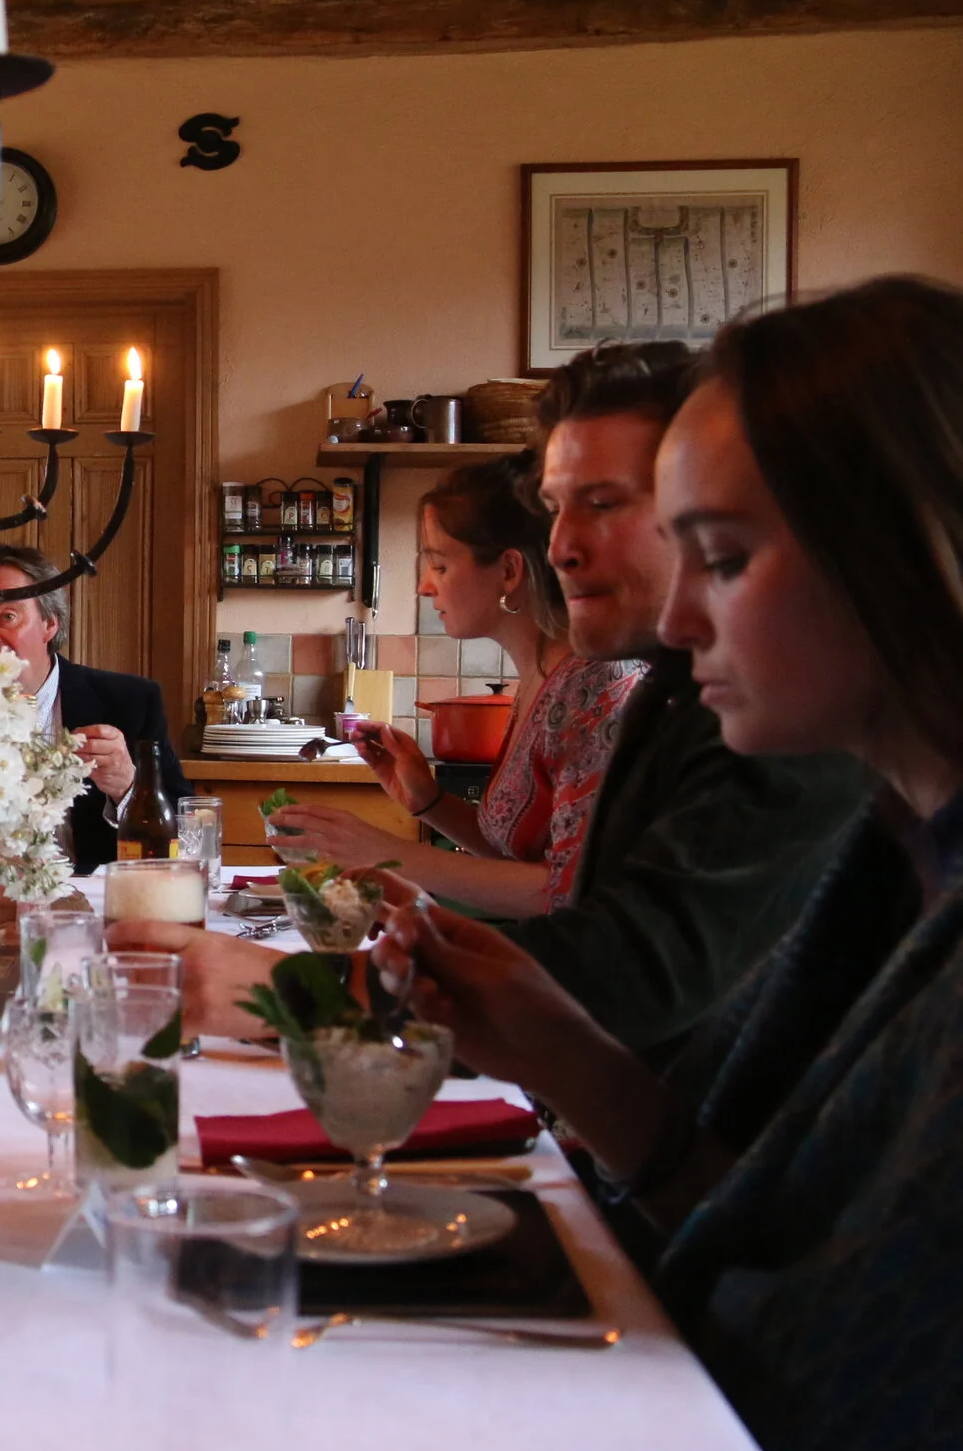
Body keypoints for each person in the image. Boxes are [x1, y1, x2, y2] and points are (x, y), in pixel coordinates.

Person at [370, 276, 963, 1451]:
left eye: (726, 557)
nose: (683, 617)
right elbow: (745, 1216)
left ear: (907, 544)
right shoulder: (899, 853)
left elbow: (832, 1387)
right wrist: (568, 1055)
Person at [122, 343, 869, 1056]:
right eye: (555, 508)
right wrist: (420, 829)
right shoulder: (665, 688)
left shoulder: (768, 713)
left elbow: (625, 966)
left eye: (603, 502)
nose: (562, 546)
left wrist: (317, 987)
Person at [271, 454, 641, 916]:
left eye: (440, 566)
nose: (425, 587)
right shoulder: (538, 680)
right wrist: (429, 801)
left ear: (509, 571)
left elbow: (569, 890)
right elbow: (513, 855)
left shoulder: (595, 686)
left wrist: (381, 852)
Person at [0, 544, 188, 875]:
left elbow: (187, 835)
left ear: (49, 624)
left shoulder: (128, 702)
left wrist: (130, 788)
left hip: (87, 907)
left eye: (8, 616)